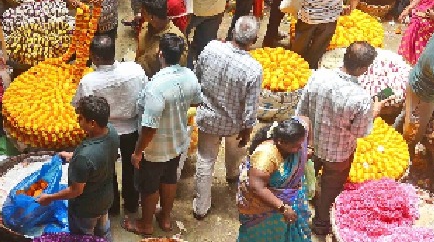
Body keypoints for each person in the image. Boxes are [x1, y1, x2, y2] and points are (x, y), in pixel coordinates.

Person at [297, 41, 385, 235]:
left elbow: (301, 110)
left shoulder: (317, 76)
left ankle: (298, 214)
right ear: (363, 68)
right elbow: (360, 132)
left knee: (305, 178)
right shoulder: (361, 98)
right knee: (330, 186)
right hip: (338, 154)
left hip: (311, 144)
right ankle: (320, 224)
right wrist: (374, 112)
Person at [122, 33, 202, 236]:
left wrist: (138, 152)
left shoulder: (155, 87)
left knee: (149, 187)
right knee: (169, 180)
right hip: (177, 141)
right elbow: (196, 101)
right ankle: (165, 218)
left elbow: (149, 127)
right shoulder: (190, 76)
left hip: (155, 149)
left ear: (160, 54)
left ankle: (145, 224)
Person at [193, 16, 263, 221]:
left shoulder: (211, 48)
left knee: (205, 161)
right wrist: (248, 129)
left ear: (232, 31)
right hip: (234, 123)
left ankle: (200, 208)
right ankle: (232, 175)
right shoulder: (253, 68)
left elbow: (197, 76)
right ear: (254, 39)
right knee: (235, 152)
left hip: (207, 118)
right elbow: (251, 107)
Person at [72, 35, 147, 216]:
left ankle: (111, 207)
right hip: (132, 128)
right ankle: (131, 203)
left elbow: (79, 106)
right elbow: (145, 97)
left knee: (107, 171)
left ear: (96, 58)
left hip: (104, 132)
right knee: (131, 169)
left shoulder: (89, 81)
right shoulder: (135, 70)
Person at [38, 96, 119, 241]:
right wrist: (72, 155)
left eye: (81, 118)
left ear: (92, 123)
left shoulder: (84, 156)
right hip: (105, 199)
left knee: (84, 236)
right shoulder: (112, 132)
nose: (78, 121)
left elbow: (76, 190)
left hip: (86, 209)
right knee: (103, 231)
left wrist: (49, 197)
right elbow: (99, 160)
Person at [236, 118, 311, 241]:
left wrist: (310, 146)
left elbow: (305, 119)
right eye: (296, 146)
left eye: (302, 144)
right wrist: (283, 208)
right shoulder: (265, 157)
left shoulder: (297, 134)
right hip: (263, 208)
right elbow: (256, 187)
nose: (301, 149)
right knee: (261, 235)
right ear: (281, 142)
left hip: (284, 204)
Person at [397, 28, 434, 158]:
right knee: (414, 130)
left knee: (406, 115)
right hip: (424, 93)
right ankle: (403, 155)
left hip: (420, 79)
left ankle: (394, 135)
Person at [136, 0, 187, 78]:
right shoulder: (145, 27)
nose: (141, 13)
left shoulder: (175, 42)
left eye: (143, 12)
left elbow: (174, 76)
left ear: (152, 17)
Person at [398, 0, 434, 64]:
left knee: (427, 62)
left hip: (433, 31)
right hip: (418, 21)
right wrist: (408, 9)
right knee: (408, 56)